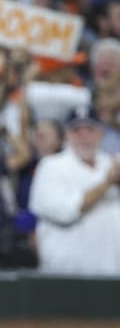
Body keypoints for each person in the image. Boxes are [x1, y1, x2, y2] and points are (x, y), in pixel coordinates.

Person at [29, 106, 120, 275]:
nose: (84, 137)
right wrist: (108, 183)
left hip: (112, 276)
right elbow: (67, 211)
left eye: (90, 130)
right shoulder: (51, 166)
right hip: (66, 279)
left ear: (101, 133)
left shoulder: (112, 164)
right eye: (77, 130)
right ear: (67, 135)